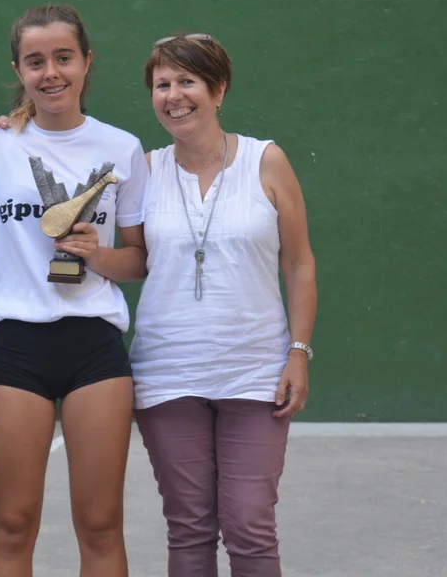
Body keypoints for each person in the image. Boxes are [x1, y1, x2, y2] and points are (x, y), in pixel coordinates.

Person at [0, 4, 149, 576]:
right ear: (18, 71)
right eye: (35, 61)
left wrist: (96, 254)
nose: (51, 73)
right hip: (16, 347)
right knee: (13, 524)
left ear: (86, 62)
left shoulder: (122, 147)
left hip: (95, 347)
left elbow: (138, 260)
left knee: (101, 524)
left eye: (63, 58)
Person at [128, 33, 317, 577]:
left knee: (250, 526)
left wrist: (298, 353)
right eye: (162, 84)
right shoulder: (144, 169)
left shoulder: (266, 160)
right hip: (166, 376)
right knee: (188, 528)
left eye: (187, 81)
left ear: (218, 89)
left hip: (256, 375)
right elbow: (131, 256)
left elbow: (299, 263)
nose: (173, 96)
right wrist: (9, 125)